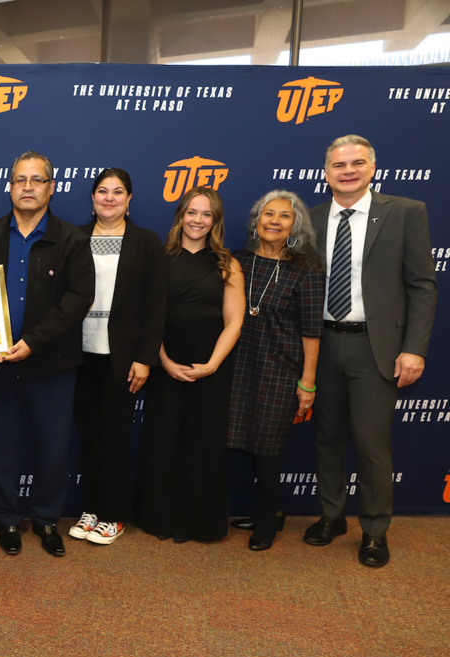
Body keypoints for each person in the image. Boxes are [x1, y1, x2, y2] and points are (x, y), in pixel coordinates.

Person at [305, 135, 437, 568]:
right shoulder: (311, 218)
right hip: (322, 344)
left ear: (372, 168)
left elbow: (422, 286)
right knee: (326, 439)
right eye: (339, 165)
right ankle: (331, 516)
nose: (348, 171)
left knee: (371, 443)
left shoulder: (405, 213)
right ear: (326, 173)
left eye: (356, 163)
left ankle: (375, 530)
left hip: (375, 347)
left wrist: (414, 349)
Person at [0, 151, 95, 557]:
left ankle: (46, 520)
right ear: (10, 186)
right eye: (21, 180)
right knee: (1, 446)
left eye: (37, 180)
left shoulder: (72, 239)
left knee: (53, 449)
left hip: (51, 365)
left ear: (51, 188)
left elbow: (77, 300)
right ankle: (6, 520)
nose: (28, 187)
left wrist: (33, 342)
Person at [132, 186, 244, 543]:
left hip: (211, 364)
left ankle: (201, 523)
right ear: (180, 215)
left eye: (206, 214)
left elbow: (234, 322)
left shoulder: (228, 264)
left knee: (204, 444)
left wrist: (211, 364)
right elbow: (148, 316)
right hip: (166, 361)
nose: (198, 220)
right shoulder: (159, 259)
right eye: (192, 212)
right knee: (163, 441)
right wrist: (163, 360)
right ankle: (159, 518)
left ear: (216, 221)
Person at [70, 169, 166, 546]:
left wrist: (145, 358)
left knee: (116, 437)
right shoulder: (74, 237)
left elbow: (156, 305)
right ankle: (91, 509)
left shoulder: (145, 241)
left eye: (118, 192)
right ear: (92, 198)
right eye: (102, 191)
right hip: (79, 354)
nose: (109, 198)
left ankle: (113, 515)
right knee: (88, 438)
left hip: (123, 359)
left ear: (130, 198)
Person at [226, 190, 324, 551]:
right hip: (239, 366)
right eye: (268, 214)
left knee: (266, 448)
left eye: (284, 216)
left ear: (295, 225)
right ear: (256, 221)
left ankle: (268, 519)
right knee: (247, 445)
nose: (274, 221)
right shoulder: (238, 260)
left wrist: (308, 382)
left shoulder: (307, 269)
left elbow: (312, 330)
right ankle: (273, 509)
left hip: (280, 370)